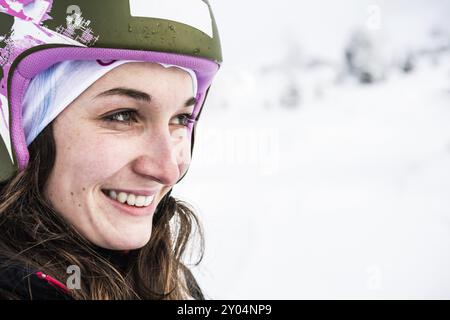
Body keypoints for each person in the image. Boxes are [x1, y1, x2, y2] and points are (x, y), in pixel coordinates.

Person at [0, 0, 222, 300]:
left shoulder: (168, 279)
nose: (168, 169)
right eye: (123, 116)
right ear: (21, 132)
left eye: (180, 119)